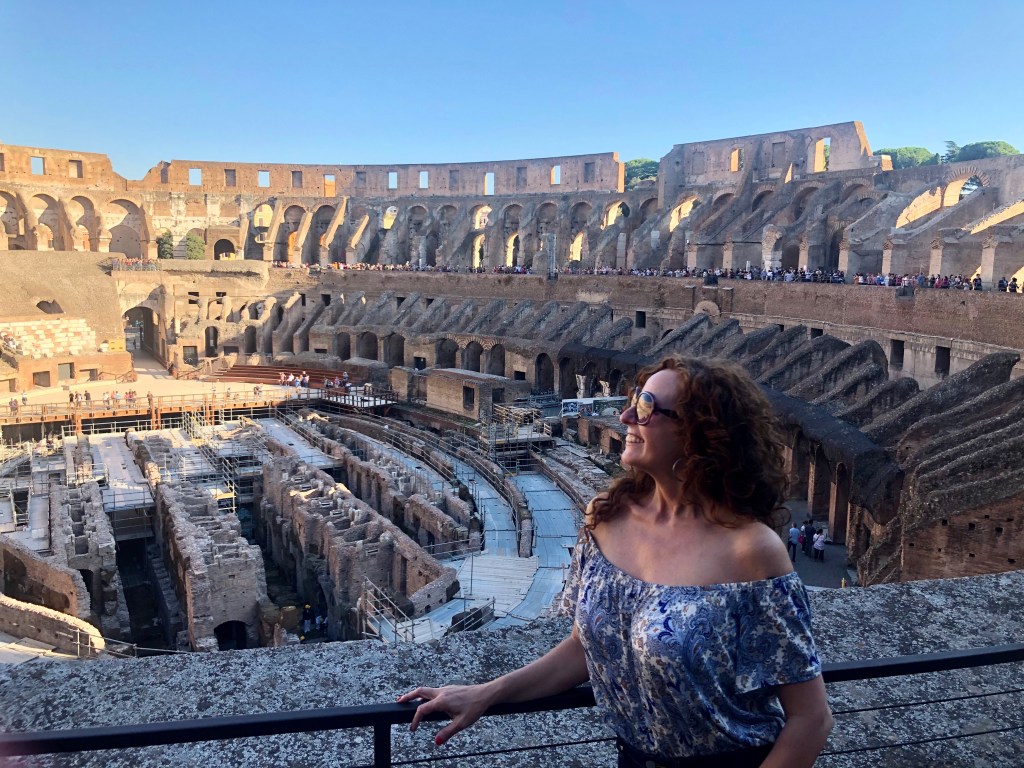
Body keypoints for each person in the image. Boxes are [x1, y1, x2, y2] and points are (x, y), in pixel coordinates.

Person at [399, 356, 833, 766]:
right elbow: (584, 648)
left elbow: (811, 718)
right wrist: (487, 693)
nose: (625, 417)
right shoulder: (606, 516)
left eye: (646, 407)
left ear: (700, 434)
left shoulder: (751, 552)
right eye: (632, 400)